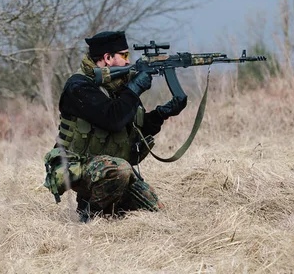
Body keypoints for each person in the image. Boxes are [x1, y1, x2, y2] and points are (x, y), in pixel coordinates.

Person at [44, 30, 187, 221]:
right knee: (119, 170)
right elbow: (113, 119)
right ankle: (90, 214)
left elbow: (135, 130)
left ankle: (109, 206)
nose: (129, 61)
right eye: (124, 55)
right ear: (108, 58)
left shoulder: (119, 86)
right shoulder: (78, 87)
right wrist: (135, 89)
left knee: (155, 211)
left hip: (108, 166)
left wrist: (163, 114)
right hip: (76, 164)